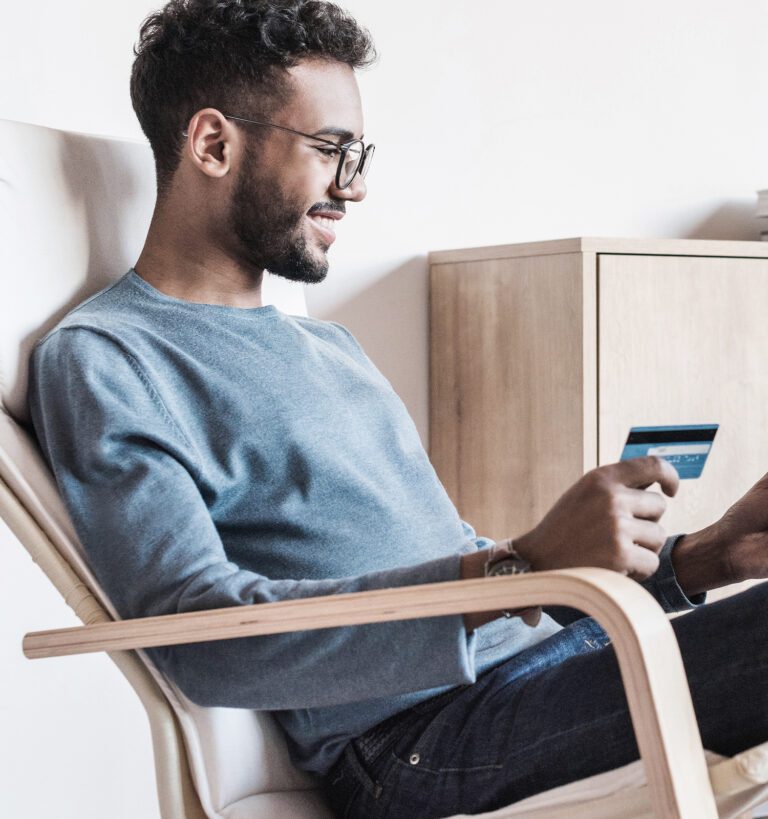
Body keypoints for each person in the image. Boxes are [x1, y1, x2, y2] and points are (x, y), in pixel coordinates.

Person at [27, 1, 768, 817]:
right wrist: (517, 564)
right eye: (330, 150)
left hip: (530, 673)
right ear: (212, 144)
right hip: (417, 745)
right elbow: (195, 634)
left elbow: (471, 585)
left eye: (360, 153)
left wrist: (706, 558)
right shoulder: (110, 357)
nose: (357, 186)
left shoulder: (328, 346)